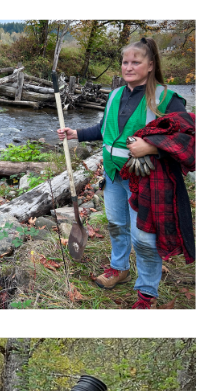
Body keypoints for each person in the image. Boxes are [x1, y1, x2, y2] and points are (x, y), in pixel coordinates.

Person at [57, 38, 191, 308]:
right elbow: (105, 129)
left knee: (143, 237)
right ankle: (119, 268)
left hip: (148, 181)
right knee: (117, 226)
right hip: (114, 176)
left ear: (151, 65)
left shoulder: (166, 99)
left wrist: (153, 147)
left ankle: (146, 291)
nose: (128, 67)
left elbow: (188, 138)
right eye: (125, 62)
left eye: (136, 62)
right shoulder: (116, 94)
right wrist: (77, 134)